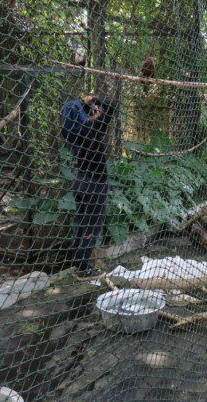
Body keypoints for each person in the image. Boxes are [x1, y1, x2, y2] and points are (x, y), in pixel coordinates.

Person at [61, 92, 117, 276]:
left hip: (81, 182)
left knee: (82, 224)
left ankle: (79, 264)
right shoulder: (93, 129)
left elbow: (80, 117)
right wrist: (93, 100)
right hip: (94, 185)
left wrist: (82, 104)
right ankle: (85, 269)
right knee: (92, 227)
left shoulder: (76, 134)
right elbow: (112, 106)